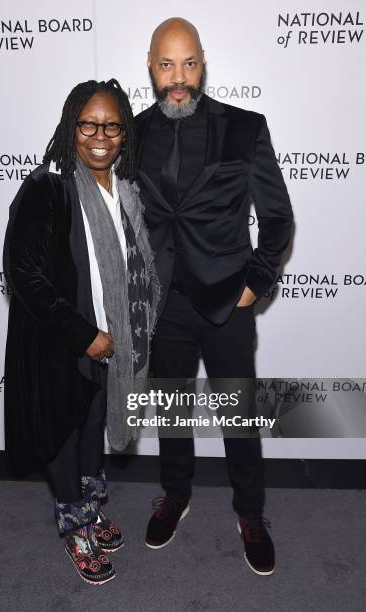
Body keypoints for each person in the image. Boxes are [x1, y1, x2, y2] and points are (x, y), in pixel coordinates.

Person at [135, 18, 293, 576]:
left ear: (203, 62)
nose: (178, 79)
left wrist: (257, 281)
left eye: (189, 64)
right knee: (170, 412)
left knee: (239, 415)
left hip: (229, 299)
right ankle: (175, 495)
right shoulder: (130, 134)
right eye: (166, 64)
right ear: (150, 65)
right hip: (163, 306)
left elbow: (277, 218)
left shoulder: (245, 128)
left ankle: (250, 512)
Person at [3, 79, 160, 585]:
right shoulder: (47, 187)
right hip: (62, 344)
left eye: (112, 125)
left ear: (124, 133)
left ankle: (91, 507)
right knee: (65, 432)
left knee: (94, 425)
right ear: (72, 127)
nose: (100, 135)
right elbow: (24, 273)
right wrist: (82, 334)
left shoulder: (126, 188)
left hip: (113, 340)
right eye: (88, 123)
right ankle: (73, 523)